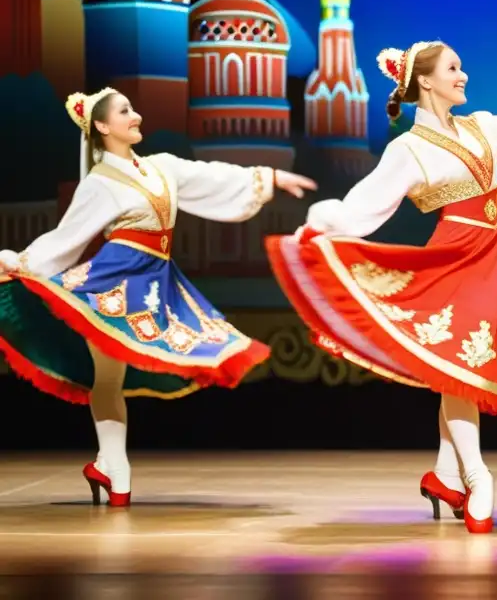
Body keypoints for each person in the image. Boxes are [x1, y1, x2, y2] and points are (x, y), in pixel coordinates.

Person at [266, 40, 497, 533]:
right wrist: (323, 227)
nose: (463, 75)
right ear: (424, 81)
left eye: (462, 66)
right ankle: (476, 474)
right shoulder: (408, 149)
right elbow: (365, 206)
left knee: (468, 367)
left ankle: (446, 475)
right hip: (457, 257)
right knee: (461, 367)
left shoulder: (482, 128)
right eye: (453, 68)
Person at [0, 87, 316, 506]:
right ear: (101, 126)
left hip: (155, 281)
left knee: (132, 371)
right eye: (125, 111)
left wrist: (270, 177)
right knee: (108, 377)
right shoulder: (100, 183)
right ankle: (118, 473)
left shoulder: (161, 167)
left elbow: (210, 175)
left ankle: (108, 466)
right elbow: (67, 238)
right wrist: (19, 262)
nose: (137, 117)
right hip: (112, 283)